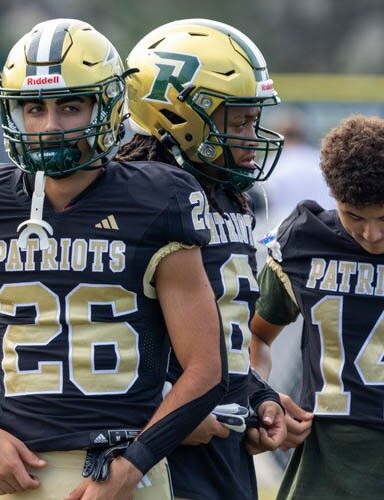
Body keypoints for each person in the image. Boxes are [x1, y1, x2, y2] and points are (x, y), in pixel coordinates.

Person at [0, 18, 228, 500]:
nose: (49, 126)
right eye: (34, 108)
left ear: (108, 106)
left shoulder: (158, 200)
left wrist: (134, 464)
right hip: (17, 468)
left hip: (127, 468)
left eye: (70, 106)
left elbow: (205, 368)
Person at [117, 19, 287, 500]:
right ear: (178, 116)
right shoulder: (135, 201)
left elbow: (223, 334)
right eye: (238, 122)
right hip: (158, 452)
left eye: (253, 119)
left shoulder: (227, 194)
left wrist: (256, 395)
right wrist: (165, 414)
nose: (252, 138)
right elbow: (103, 335)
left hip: (221, 447)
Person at [250, 114, 384, 499]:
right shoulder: (305, 242)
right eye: (354, 216)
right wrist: (263, 395)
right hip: (324, 470)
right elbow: (257, 335)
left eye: (383, 218)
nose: (371, 234)